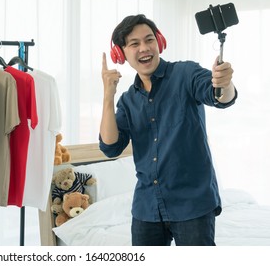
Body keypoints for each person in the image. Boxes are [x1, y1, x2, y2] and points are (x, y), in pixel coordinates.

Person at [99, 14, 237, 246]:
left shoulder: (186, 73)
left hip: (192, 205)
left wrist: (224, 83)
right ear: (121, 54)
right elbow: (111, 147)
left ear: (159, 42)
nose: (144, 48)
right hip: (146, 209)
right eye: (134, 43)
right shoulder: (127, 101)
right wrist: (107, 96)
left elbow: (220, 97)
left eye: (149, 39)